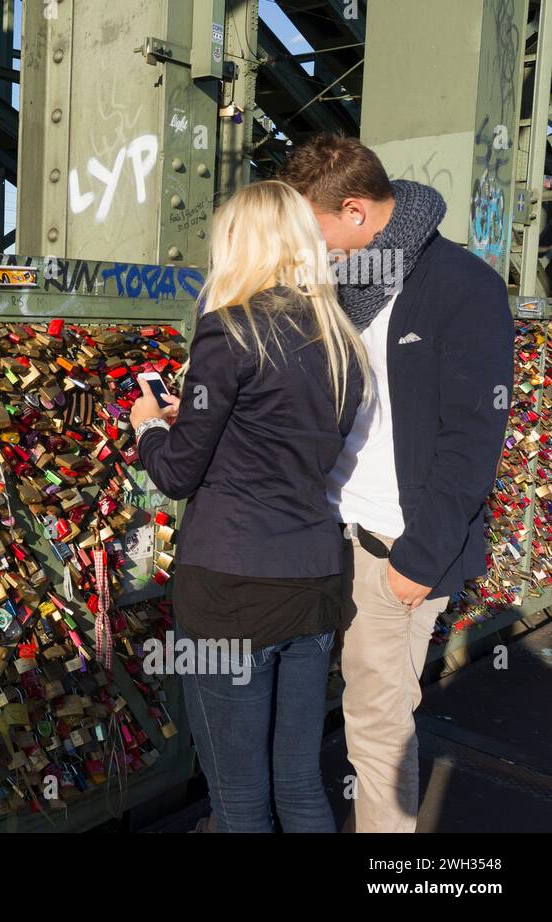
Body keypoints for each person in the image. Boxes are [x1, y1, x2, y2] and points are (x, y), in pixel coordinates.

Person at [279, 134, 514, 833]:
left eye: (313, 226)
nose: (306, 243)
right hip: (319, 534)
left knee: (378, 735)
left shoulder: (461, 287)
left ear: (355, 210)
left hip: (392, 549)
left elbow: (474, 438)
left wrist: (418, 561)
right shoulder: (344, 284)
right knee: (296, 706)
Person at [131, 179, 369, 832]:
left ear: (239, 245)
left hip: (232, 586)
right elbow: (285, 434)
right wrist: (206, 415)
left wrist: (149, 424)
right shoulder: (339, 339)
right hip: (313, 580)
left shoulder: (228, 330)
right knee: (298, 784)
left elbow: (178, 474)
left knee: (238, 802)